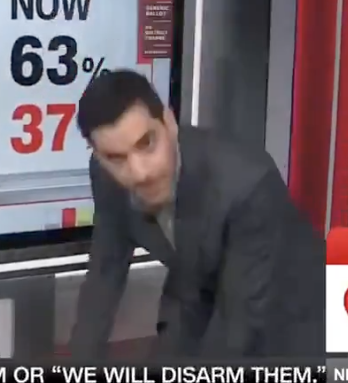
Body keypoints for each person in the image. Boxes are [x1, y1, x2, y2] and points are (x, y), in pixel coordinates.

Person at [69, 69, 325, 359]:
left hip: (292, 312)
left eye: (147, 143)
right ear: (98, 155)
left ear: (169, 123)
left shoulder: (248, 183)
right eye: (116, 158)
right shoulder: (105, 176)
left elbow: (238, 325)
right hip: (198, 291)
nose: (139, 173)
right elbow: (105, 272)